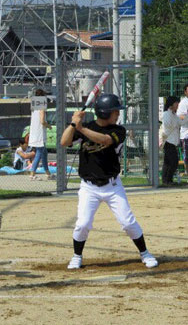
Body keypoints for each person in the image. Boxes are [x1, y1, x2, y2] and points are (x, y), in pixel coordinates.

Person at [60, 93, 158, 270]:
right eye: (115, 111)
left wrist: (80, 128)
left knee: (128, 223)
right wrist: (74, 124)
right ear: (105, 113)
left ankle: (145, 253)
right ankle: (76, 256)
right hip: (88, 187)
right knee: (82, 224)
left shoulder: (118, 130)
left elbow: (104, 140)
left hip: (112, 186)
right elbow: (64, 142)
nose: (118, 114)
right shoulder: (86, 127)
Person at [161, 96, 188, 185]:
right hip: (168, 141)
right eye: (176, 103)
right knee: (173, 162)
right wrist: (176, 122)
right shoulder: (166, 114)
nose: (178, 105)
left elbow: (181, 122)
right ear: (171, 104)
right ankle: (167, 180)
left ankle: (167, 180)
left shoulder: (173, 114)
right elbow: (167, 126)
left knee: (168, 162)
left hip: (173, 142)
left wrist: (186, 116)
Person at [28, 89, 55, 181]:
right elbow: (42, 121)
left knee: (44, 153)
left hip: (34, 131)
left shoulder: (34, 106)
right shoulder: (42, 106)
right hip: (39, 133)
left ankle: (48, 173)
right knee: (39, 153)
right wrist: (49, 126)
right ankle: (32, 174)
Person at [176, 83, 188, 175]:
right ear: (185, 92)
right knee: (186, 155)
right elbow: (179, 117)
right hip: (186, 134)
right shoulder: (183, 103)